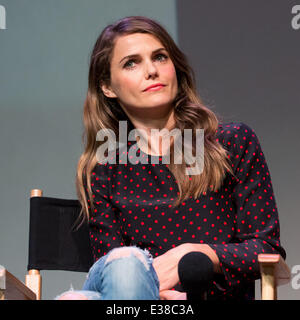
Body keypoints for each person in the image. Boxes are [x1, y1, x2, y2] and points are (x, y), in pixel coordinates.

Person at [56, 16, 286, 300]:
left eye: (160, 57)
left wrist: (197, 253)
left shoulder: (232, 143)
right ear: (108, 87)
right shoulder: (105, 168)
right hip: (141, 298)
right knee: (122, 265)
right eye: (131, 63)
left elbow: (266, 249)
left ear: (175, 67)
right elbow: (113, 272)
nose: (151, 71)